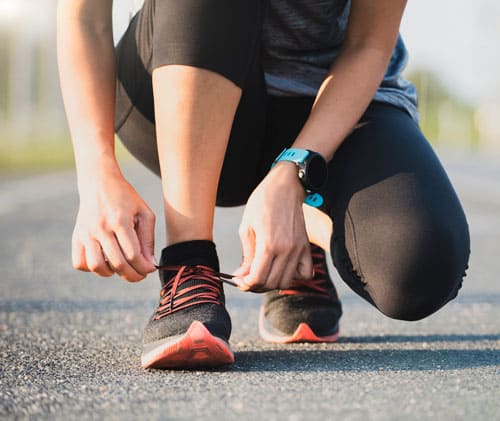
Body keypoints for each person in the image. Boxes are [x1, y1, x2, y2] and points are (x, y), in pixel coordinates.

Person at [57, 0, 470, 369]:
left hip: (330, 106)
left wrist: (295, 171)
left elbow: (369, 44)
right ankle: (190, 264)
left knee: (419, 265)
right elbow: (84, 17)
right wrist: (97, 172)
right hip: (179, 79)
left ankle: (298, 229)